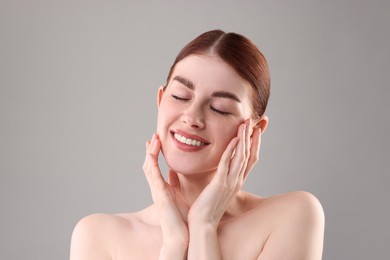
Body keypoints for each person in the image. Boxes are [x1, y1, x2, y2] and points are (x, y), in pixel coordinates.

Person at [69, 30, 325, 260]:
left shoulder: (291, 217)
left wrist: (203, 226)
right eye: (180, 96)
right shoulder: (98, 237)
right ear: (160, 100)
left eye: (219, 109)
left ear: (254, 131)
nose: (192, 118)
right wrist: (174, 245)